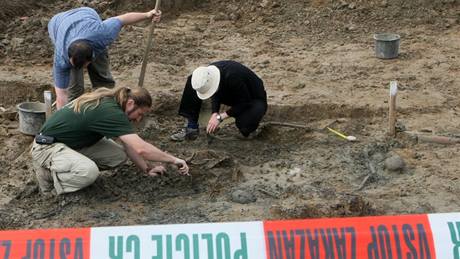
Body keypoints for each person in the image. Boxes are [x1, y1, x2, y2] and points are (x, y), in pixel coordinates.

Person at [31, 86, 189, 195]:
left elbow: (129, 145)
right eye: (140, 113)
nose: (138, 119)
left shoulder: (113, 104)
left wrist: (147, 169)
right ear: (130, 103)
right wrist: (174, 160)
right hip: (47, 147)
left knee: (117, 156)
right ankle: (48, 176)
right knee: (88, 172)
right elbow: (142, 149)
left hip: (71, 144)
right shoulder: (110, 112)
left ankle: (71, 166)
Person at [48, 7, 161, 109]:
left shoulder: (102, 34)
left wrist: (147, 14)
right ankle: (74, 115)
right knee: (74, 89)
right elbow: (61, 95)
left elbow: (123, 19)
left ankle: (104, 107)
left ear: (91, 58)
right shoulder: (61, 59)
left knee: (103, 81)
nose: (82, 69)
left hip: (85, 14)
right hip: (57, 24)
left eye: (84, 66)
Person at [170, 60, 267, 141]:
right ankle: (191, 127)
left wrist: (220, 117)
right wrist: (214, 113)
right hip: (230, 91)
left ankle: (246, 128)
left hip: (252, 98)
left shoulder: (233, 77)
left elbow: (245, 102)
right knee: (193, 81)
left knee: (245, 124)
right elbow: (215, 92)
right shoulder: (208, 73)